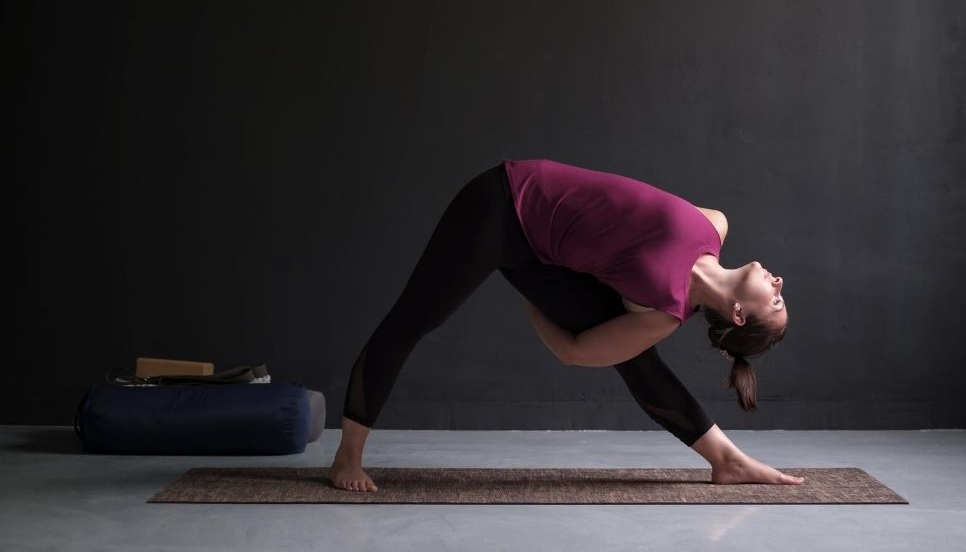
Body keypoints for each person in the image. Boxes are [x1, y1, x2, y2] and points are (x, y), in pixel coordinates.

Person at [330, 158, 802, 492]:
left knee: (640, 361)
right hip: (500, 200)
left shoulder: (660, 310)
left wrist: (530, 292)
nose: (777, 279)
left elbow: (574, 350)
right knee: (412, 320)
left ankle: (726, 460)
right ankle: (348, 454)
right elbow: (620, 227)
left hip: (537, 257)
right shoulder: (713, 225)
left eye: (775, 299)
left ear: (739, 314)